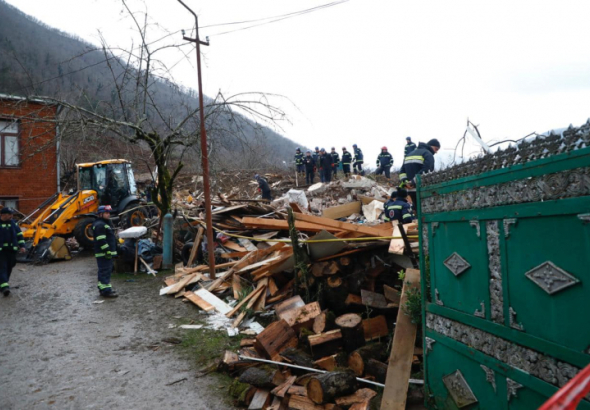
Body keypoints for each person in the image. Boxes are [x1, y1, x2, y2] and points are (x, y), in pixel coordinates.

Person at [92, 205, 118, 298]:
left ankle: (103, 288)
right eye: (106, 213)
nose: (108, 215)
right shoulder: (100, 225)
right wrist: (107, 251)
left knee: (104, 271)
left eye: (109, 213)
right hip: (104, 253)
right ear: (100, 214)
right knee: (105, 271)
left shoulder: (103, 223)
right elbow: (101, 240)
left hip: (104, 253)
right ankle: (106, 291)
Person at [0, 208, 26, 296]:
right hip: (1, 251)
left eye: (11, 214)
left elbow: (19, 235)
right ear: (3, 215)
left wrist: (22, 246)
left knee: (9, 267)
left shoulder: (14, 224)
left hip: (12, 250)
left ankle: (3, 283)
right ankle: (4, 287)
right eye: (9, 214)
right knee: (2, 267)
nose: (11, 216)